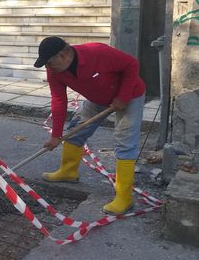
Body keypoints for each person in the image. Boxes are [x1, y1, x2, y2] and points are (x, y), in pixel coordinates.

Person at [34, 37, 146, 215]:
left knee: (125, 142)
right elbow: (59, 100)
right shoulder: (55, 72)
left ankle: (124, 198)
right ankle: (68, 171)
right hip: (97, 99)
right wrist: (55, 135)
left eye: (49, 63)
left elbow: (131, 64)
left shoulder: (98, 52)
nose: (48, 67)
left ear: (62, 55)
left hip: (130, 95)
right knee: (75, 132)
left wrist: (123, 97)